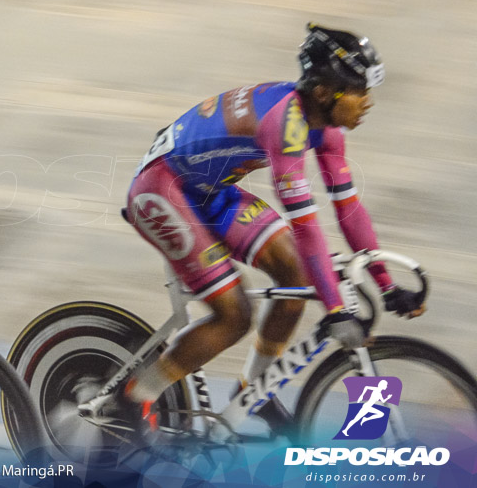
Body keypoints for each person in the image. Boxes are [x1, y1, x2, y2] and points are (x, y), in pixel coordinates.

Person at [117, 23, 424, 433]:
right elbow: (307, 227)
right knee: (234, 316)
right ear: (323, 92)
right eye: (360, 91)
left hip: (209, 188)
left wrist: (385, 285)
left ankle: (252, 391)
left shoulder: (328, 128)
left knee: (297, 275)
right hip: (162, 190)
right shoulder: (285, 127)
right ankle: (135, 396)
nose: (367, 102)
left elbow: (348, 209)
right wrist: (335, 308)